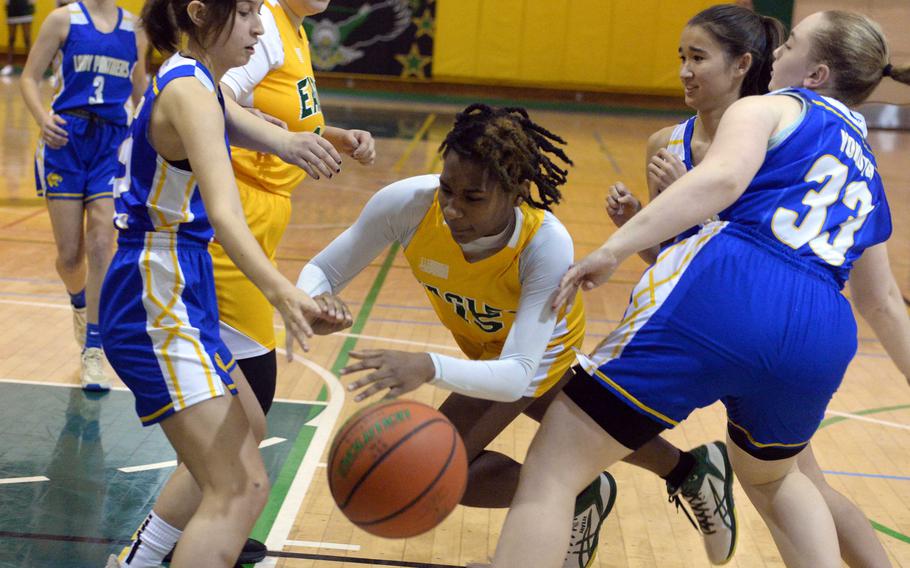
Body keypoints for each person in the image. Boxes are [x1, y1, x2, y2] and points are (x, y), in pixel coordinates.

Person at [485, 10, 908, 568]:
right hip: (823, 328)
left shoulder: (768, 107)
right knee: (776, 477)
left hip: (731, 289)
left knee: (553, 469)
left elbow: (724, 180)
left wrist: (612, 248)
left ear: (817, 75)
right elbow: (880, 300)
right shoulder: (867, 169)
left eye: (793, 45)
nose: (780, 51)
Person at [297, 104, 736, 567]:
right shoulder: (408, 204)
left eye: (472, 197)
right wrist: (311, 302)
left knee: (443, 470)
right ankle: (683, 470)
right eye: (447, 189)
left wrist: (428, 366)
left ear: (514, 192)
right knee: (580, 422)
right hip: (486, 347)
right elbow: (324, 269)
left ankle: (580, 492)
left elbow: (516, 376)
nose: (452, 208)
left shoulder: (543, 243)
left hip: (539, 352)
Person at [97, 0, 345, 565]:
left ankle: (138, 560)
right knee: (241, 486)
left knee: (250, 426)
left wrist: (288, 142)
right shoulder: (188, 87)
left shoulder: (192, 78)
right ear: (201, 13)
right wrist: (286, 295)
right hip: (153, 289)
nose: (261, 26)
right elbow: (227, 218)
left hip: (178, 285)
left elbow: (232, 119)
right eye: (249, 13)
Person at [214, 0, 375, 415]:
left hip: (261, 210)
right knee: (248, 397)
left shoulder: (294, 27)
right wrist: (282, 141)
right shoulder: (265, 19)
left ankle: (215, 475)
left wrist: (331, 136)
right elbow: (212, 94)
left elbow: (278, 113)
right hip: (235, 208)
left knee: (242, 404)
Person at [20, 0, 147, 390]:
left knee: (100, 242)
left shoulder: (136, 28)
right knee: (70, 255)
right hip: (66, 141)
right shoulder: (63, 20)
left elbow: (141, 92)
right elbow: (28, 78)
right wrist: (43, 120)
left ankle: (94, 347)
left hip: (111, 144)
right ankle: (79, 301)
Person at [2, 0, 33, 75]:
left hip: (25, 6)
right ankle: (9, 65)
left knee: (27, 38)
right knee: (11, 38)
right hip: (12, 7)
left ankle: (30, 66)